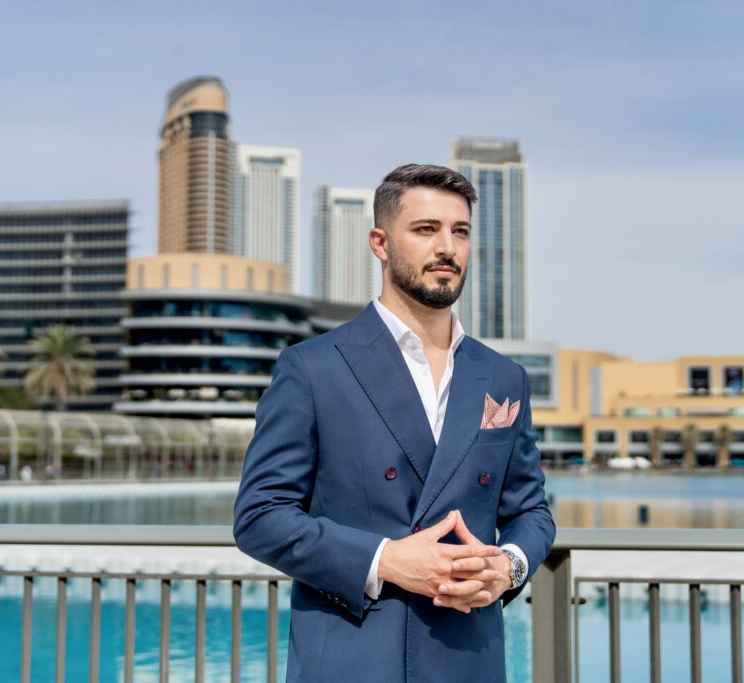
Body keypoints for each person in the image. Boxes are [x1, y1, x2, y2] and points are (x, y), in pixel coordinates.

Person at [233, 164, 555, 682]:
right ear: (380, 243)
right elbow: (260, 515)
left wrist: (509, 565)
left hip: (468, 659)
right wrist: (384, 560)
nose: (447, 246)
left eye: (461, 231)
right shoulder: (314, 367)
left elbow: (532, 512)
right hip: (352, 660)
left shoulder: (504, 377)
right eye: (426, 229)